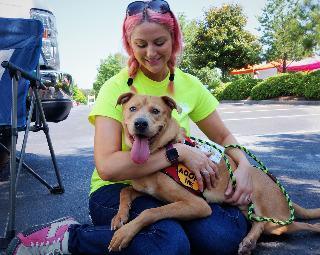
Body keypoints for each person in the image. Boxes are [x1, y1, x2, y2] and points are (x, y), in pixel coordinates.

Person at [7, 1, 253, 254]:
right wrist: (178, 153)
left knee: (222, 239)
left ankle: (170, 235)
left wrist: (244, 166)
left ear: (174, 39)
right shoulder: (115, 88)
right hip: (118, 189)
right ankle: (69, 238)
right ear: (129, 44)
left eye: (159, 42)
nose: (150, 53)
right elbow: (107, 168)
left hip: (174, 185)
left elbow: (223, 135)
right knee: (168, 243)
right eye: (141, 44)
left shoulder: (189, 84)